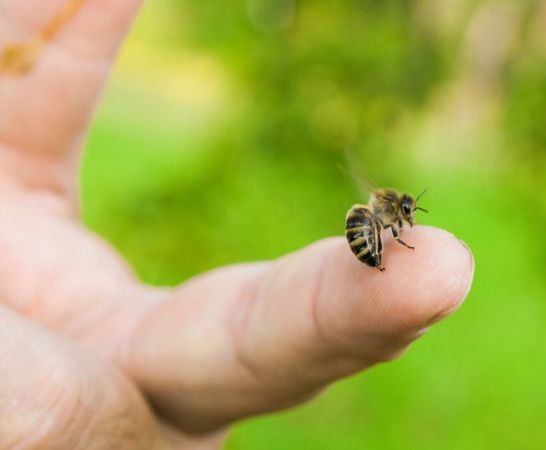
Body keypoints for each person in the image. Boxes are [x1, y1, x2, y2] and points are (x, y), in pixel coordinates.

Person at [0, 1, 474, 448]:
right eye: (406, 215)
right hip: (364, 237)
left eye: (406, 218)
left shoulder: (387, 213)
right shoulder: (384, 214)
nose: (407, 221)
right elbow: (377, 222)